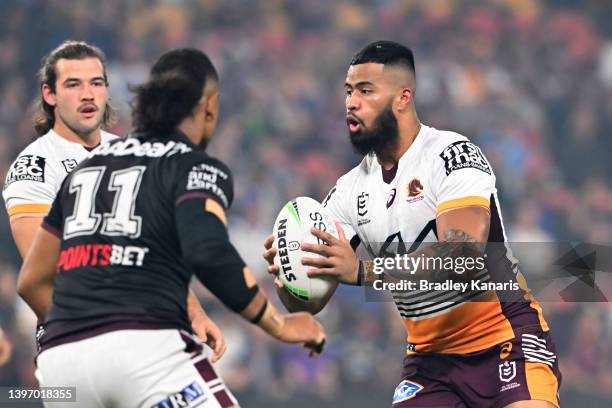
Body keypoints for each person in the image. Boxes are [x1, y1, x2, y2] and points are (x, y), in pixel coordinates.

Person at [18, 47, 325, 408]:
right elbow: (208, 252)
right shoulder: (195, 166)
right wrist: (279, 324)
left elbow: (31, 281)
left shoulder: (87, 170)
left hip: (62, 365)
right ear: (208, 106)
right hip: (145, 350)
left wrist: (81, 332)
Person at [264, 41, 560, 407]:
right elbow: (307, 303)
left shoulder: (452, 155)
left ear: (403, 98)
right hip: (430, 364)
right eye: (348, 91)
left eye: (365, 91)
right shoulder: (347, 191)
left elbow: (463, 255)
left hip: (505, 340)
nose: (351, 103)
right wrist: (289, 271)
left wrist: (363, 272)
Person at [3, 40, 225, 360]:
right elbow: (39, 271)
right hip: (81, 339)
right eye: (73, 85)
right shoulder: (36, 164)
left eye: (96, 83)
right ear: (49, 95)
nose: (88, 94)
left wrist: (195, 312)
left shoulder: (131, 153)